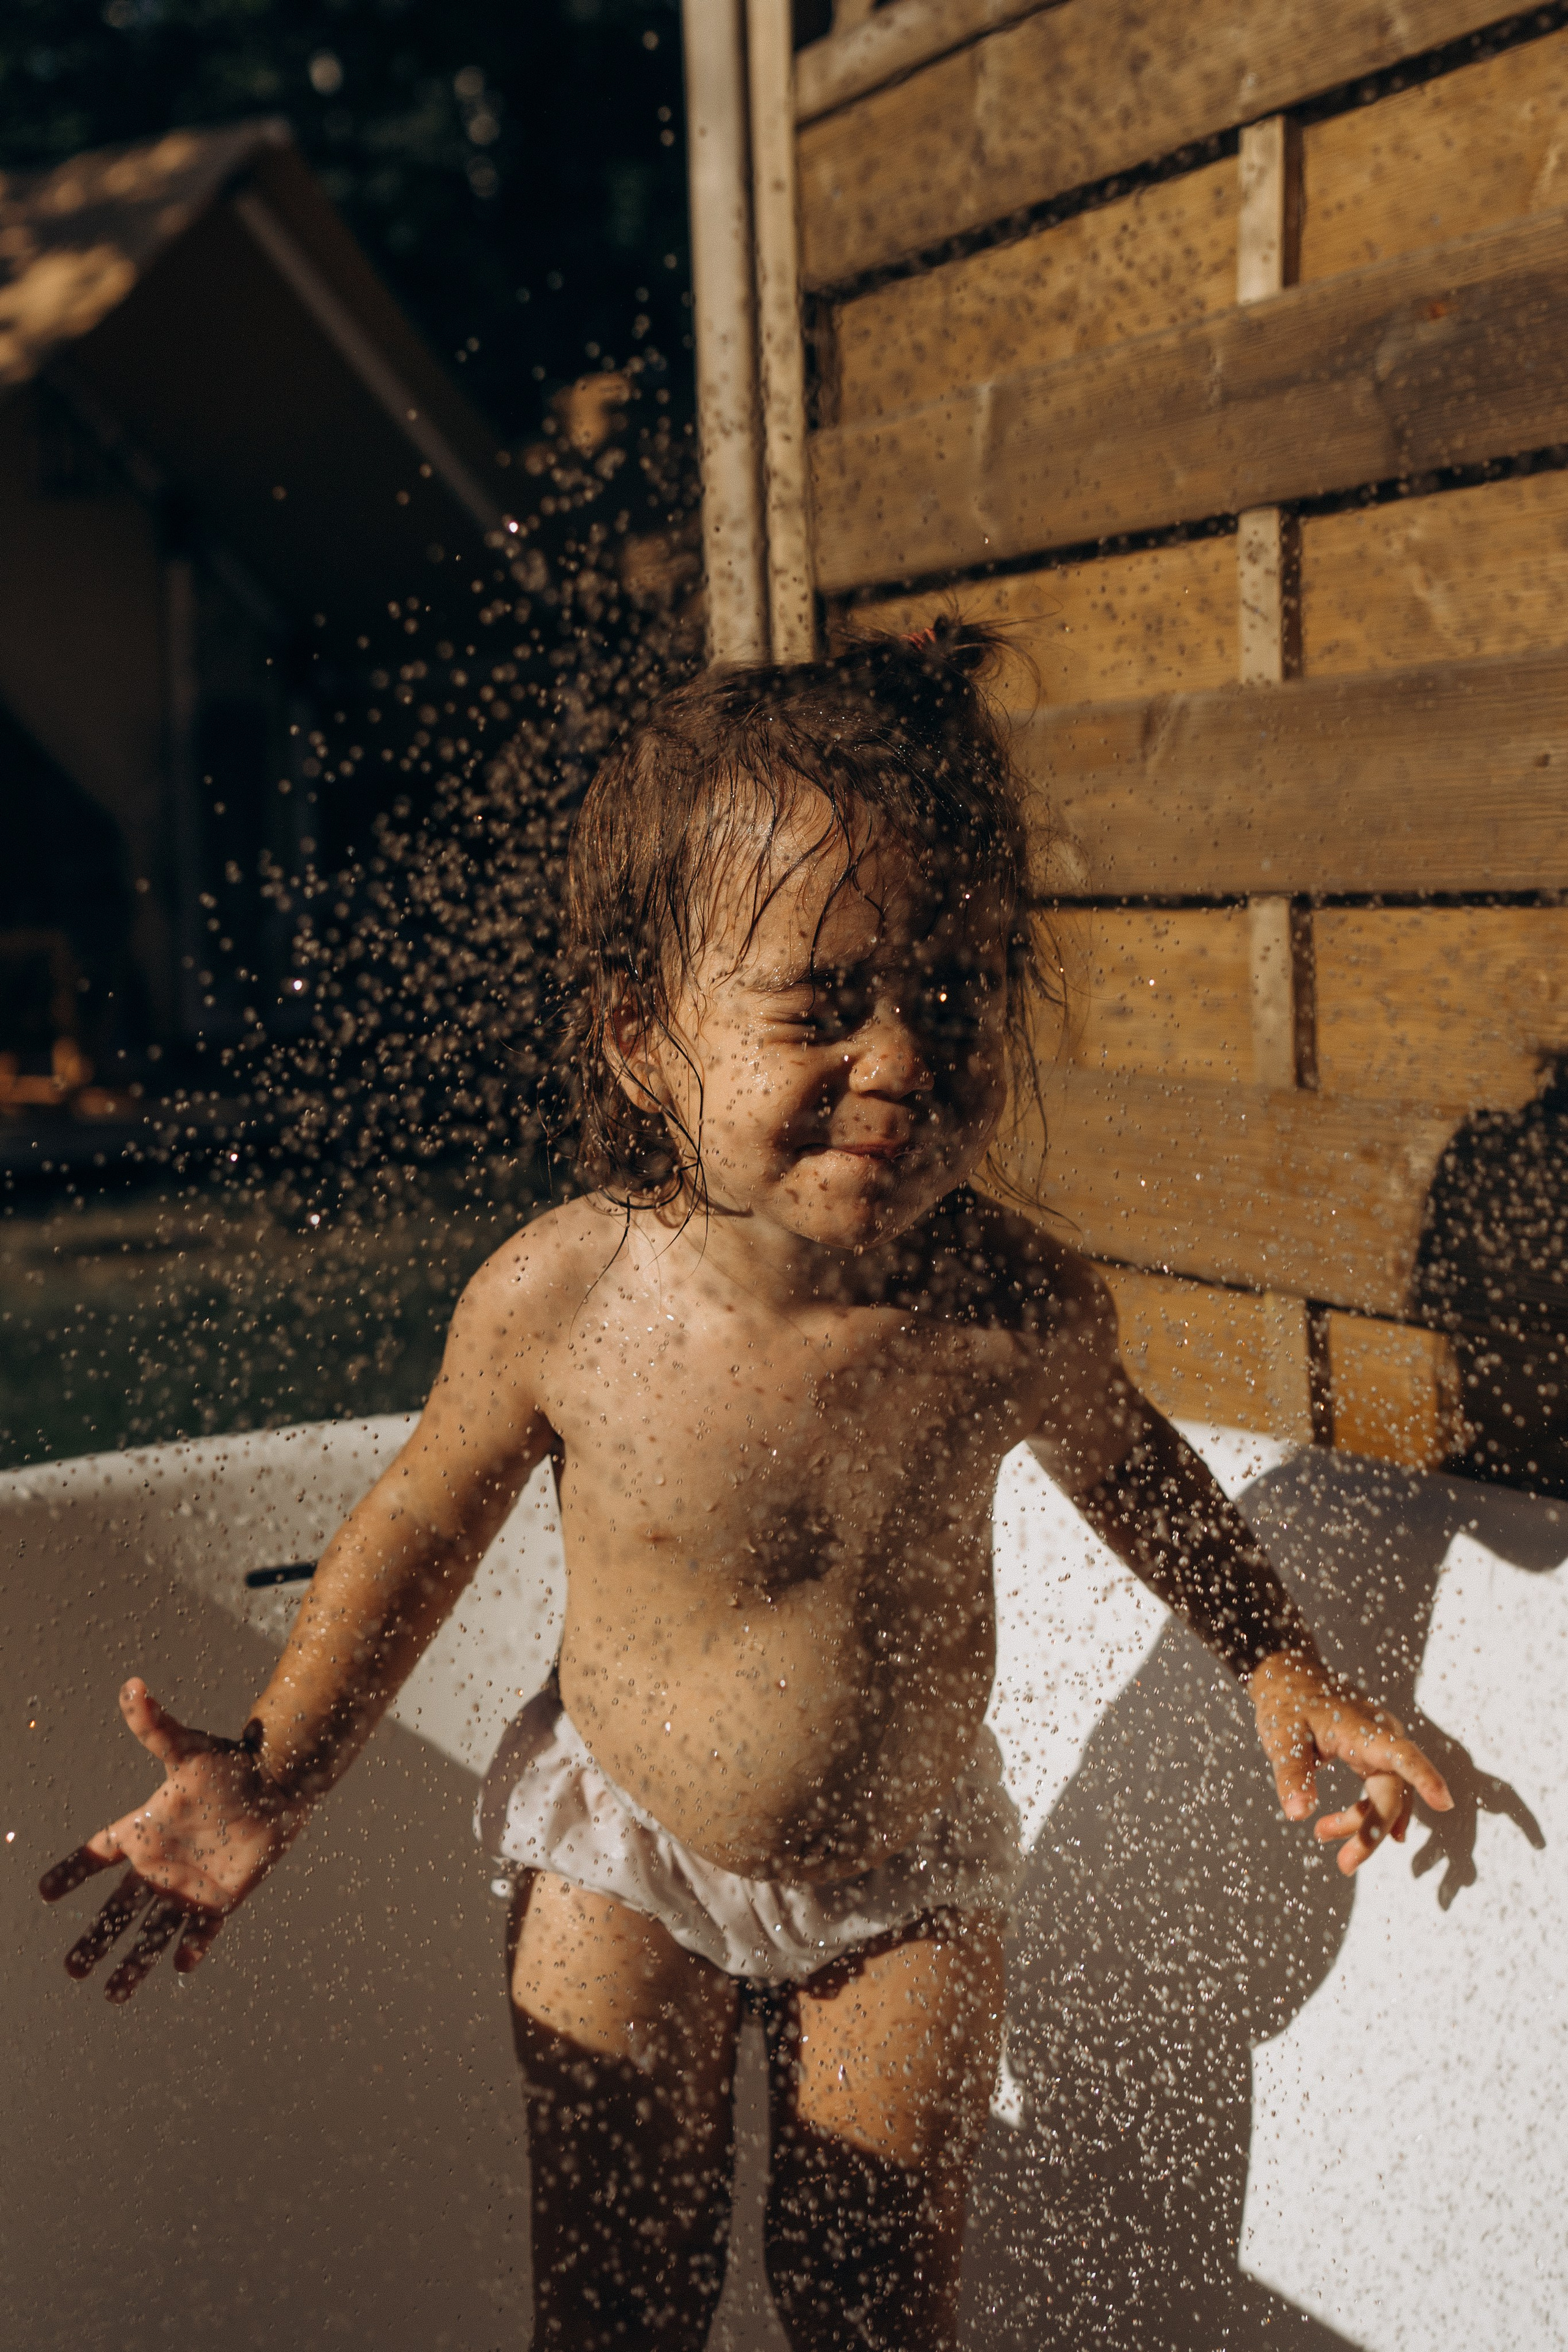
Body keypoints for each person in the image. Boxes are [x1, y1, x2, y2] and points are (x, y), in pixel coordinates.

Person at [41, 622, 1452, 2351]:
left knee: (873, 2305)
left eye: (953, 994)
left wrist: (1279, 1667)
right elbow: (413, 1527)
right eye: (823, 1004)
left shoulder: (1007, 1306)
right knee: (620, 2305)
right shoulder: (567, 1299)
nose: (903, 1057)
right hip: (623, 1855)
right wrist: (273, 1773)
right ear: (646, 1041)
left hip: (906, 1869)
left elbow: (1139, 1475)